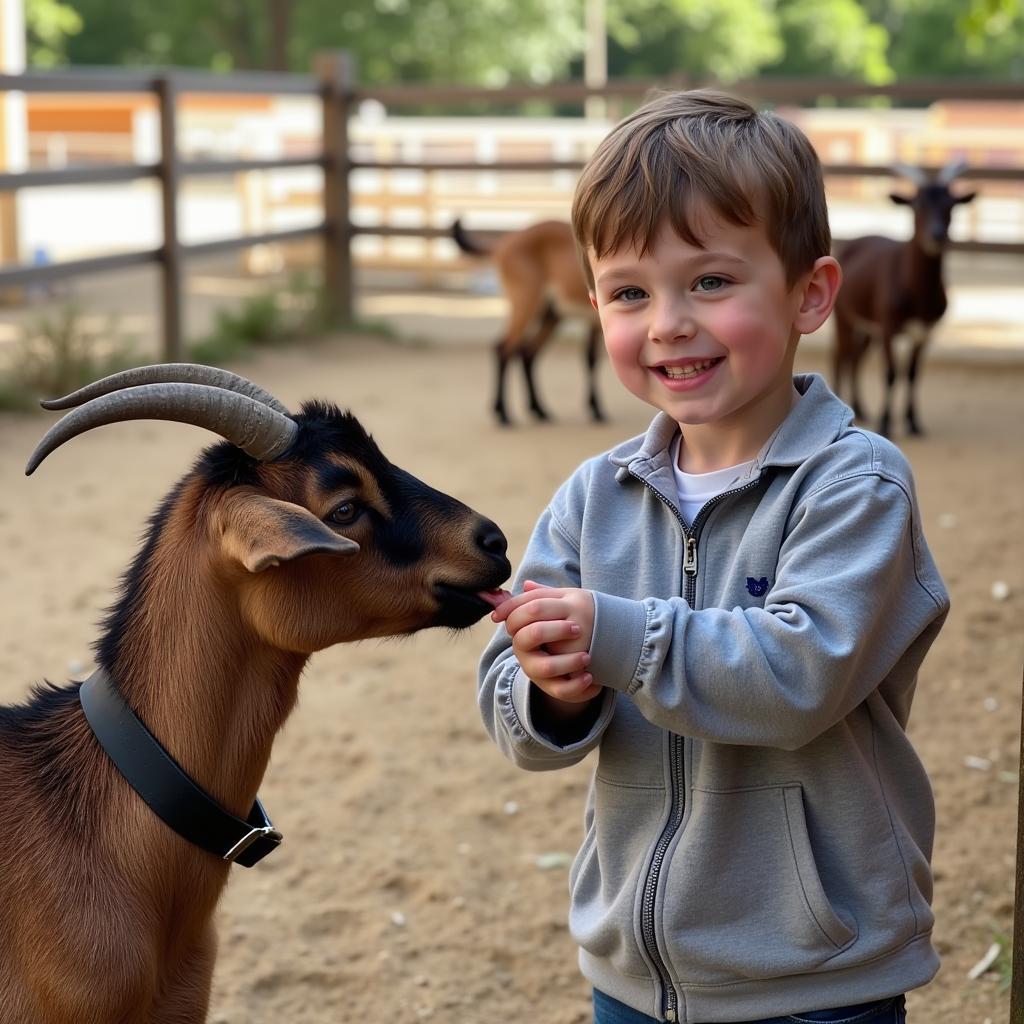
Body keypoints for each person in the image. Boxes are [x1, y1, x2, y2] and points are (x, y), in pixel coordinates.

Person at [477, 89, 949, 1024]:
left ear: (812, 293)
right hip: (632, 974)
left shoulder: (856, 487)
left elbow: (796, 676)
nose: (667, 324)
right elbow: (509, 703)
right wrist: (551, 688)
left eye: (711, 283)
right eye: (628, 293)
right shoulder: (592, 495)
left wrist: (614, 638)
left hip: (816, 978)